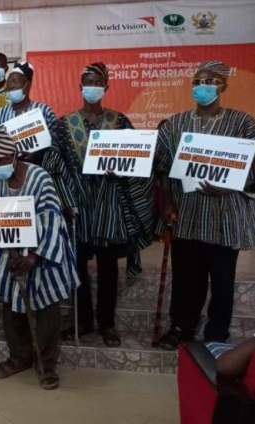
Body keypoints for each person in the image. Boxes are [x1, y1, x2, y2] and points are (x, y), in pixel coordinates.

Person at [43, 62, 154, 347]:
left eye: (97, 82)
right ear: (80, 87)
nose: (92, 87)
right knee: (77, 267)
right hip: (77, 207)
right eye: (88, 82)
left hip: (109, 206)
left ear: (106, 87)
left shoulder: (120, 121)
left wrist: (123, 170)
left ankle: (107, 323)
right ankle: (82, 320)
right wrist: (67, 198)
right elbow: (53, 163)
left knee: (108, 269)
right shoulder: (63, 124)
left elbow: (138, 160)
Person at [154, 60, 255, 350]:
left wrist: (231, 184)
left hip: (226, 217)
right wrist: (167, 203)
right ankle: (181, 327)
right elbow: (163, 168)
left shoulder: (243, 123)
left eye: (209, 81)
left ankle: (216, 334)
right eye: (197, 82)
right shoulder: (175, 124)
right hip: (186, 215)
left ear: (223, 86)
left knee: (222, 280)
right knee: (186, 278)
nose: (202, 87)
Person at [0, 127, 79, 390]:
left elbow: (52, 217)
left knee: (46, 312)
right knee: (11, 309)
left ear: (14, 156)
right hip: (8, 255)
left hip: (42, 255)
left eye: (2, 159)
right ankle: (19, 357)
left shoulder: (39, 177)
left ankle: (46, 365)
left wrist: (34, 256)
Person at [0, 61, 57, 165]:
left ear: (27, 86)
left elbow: (56, 142)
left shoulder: (44, 111)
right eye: (9, 82)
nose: (10, 85)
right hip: (9, 170)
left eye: (15, 81)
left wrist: (39, 153)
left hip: (39, 168)